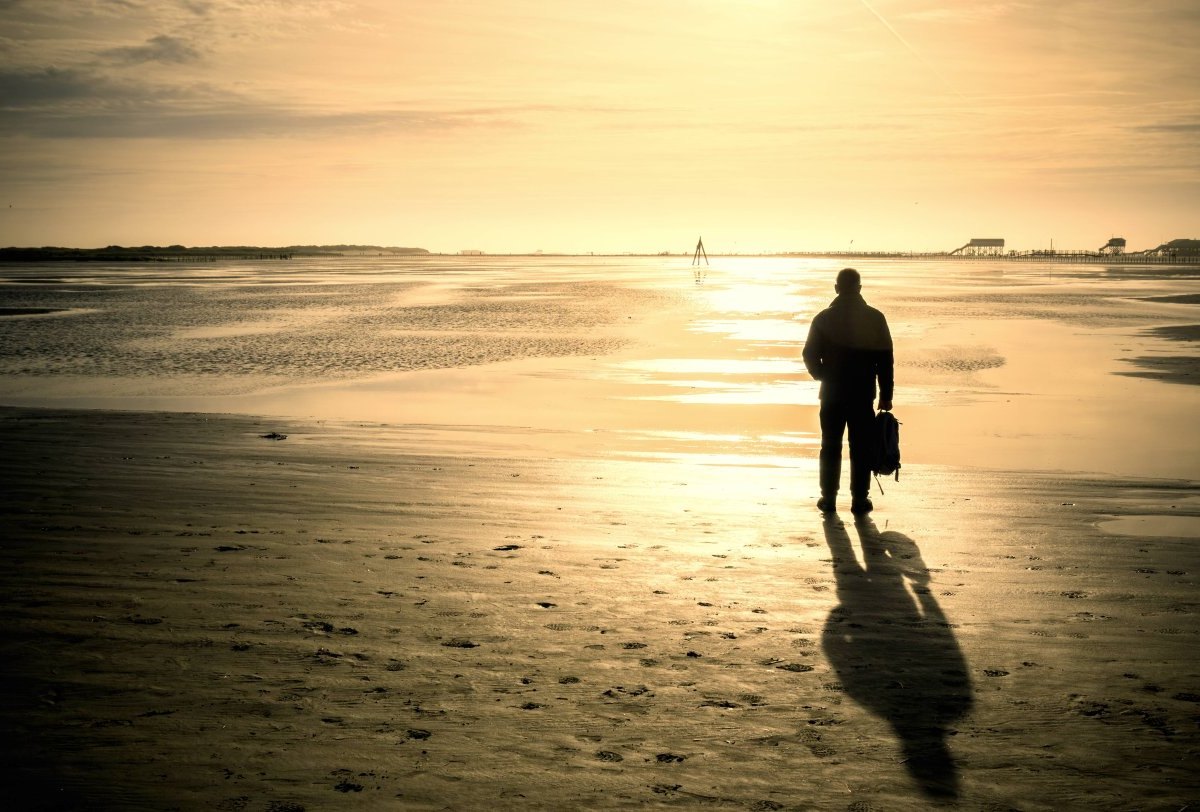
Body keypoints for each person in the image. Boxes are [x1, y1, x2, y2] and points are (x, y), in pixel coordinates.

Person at [802, 268, 894, 515]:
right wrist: (886, 395)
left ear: (836, 289)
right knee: (861, 446)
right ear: (860, 289)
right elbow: (885, 360)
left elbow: (809, 354)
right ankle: (859, 500)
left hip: (831, 393)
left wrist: (824, 376)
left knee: (830, 446)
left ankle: (829, 499)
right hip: (863, 393)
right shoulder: (875, 318)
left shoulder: (823, 318)